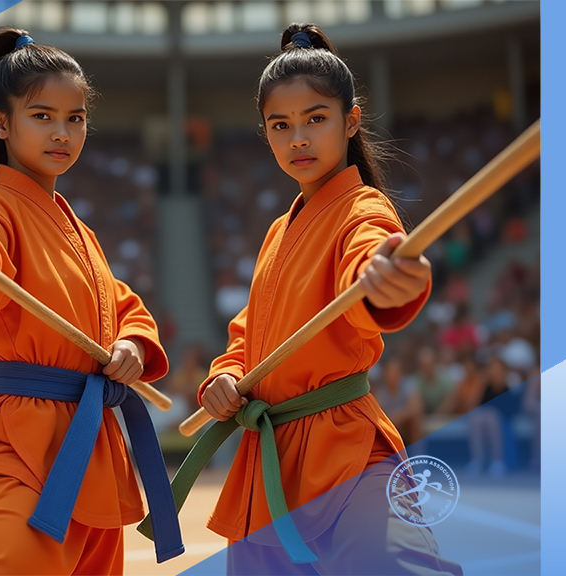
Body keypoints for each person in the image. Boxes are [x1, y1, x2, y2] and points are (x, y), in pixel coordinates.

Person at [147, 24, 462, 575]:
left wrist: (387, 279)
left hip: (346, 448)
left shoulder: (363, 209)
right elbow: (250, 332)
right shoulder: (277, 231)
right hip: (268, 469)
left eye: (316, 119)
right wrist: (224, 377)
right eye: (281, 125)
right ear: (265, 134)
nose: (298, 138)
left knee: (390, 564)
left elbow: (370, 266)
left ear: (352, 119)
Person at [0, 28, 181, 575]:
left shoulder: (78, 228)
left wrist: (130, 344)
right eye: (42, 116)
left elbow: (121, 305)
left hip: (93, 446)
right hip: (26, 440)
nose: (62, 132)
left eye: (75, 118)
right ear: (1, 122)